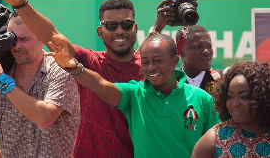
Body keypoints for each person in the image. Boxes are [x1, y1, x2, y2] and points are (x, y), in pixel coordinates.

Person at [0, 0, 146, 157]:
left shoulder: (151, 69)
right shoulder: (89, 62)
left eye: (126, 24)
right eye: (111, 25)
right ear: (100, 32)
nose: (119, 31)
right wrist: (20, 4)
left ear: (135, 28)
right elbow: (52, 34)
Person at [47, 33, 220, 158]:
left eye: (158, 60)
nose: (151, 67)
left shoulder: (202, 98)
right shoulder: (134, 94)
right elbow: (100, 85)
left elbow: (217, 147)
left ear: (174, 61)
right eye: (145, 62)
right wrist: (74, 68)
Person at [0, 14, 80, 157]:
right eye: (12, 40)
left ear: (41, 39)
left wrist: (2, 81)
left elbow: (44, 118)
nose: (17, 46)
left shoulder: (61, 71)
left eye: (24, 39)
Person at [192, 61, 270, 158]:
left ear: (263, 97)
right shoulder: (213, 140)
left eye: (244, 97)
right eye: (230, 96)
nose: (235, 104)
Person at [150, 5, 220, 94]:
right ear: (180, 51)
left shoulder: (221, 82)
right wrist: (157, 26)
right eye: (197, 47)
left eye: (209, 46)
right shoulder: (168, 83)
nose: (206, 51)